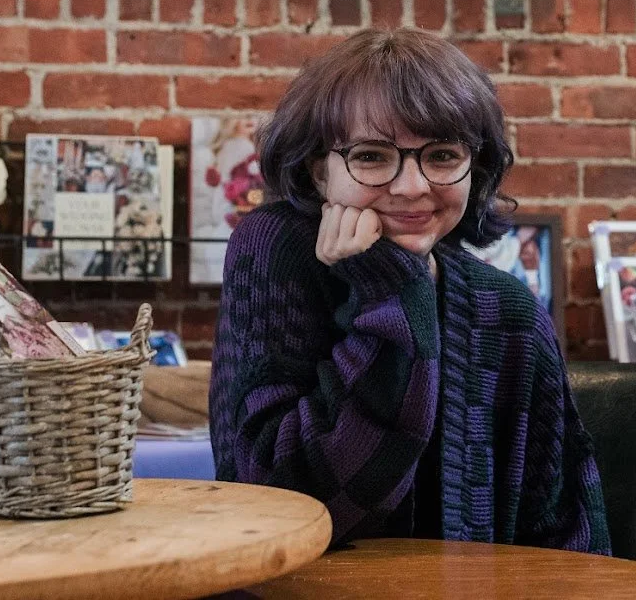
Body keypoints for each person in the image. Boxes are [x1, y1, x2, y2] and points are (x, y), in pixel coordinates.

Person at [209, 28, 610, 553]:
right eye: (372, 156)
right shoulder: (273, 251)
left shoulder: (509, 311)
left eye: (442, 155)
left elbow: (568, 533)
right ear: (319, 172)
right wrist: (387, 295)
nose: (412, 186)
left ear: (476, 168)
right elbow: (279, 502)